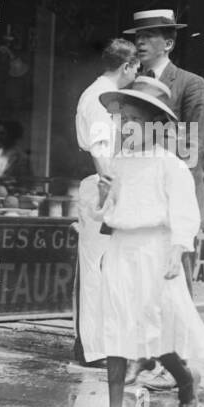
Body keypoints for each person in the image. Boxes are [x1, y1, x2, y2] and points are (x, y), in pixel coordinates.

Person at [82, 76, 204, 407]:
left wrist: (176, 253)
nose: (126, 128)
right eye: (123, 121)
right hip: (122, 248)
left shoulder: (169, 165)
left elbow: (186, 214)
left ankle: (185, 381)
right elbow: (103, 215)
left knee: (156, 330)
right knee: (117, 327)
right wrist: (104, 196)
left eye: (135, 121)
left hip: (155, 251)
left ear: (155, 126)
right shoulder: (119, 164)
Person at [126, 8, 204, 391]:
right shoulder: (131, 84)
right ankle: (148, 357)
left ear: (170, 41)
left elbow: (199, 148)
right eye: (138, 36)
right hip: (140, 201)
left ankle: (176, 362)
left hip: (176, 196)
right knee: (143, 281)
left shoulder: (190, 84)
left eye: (151, 35)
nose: (141, 42)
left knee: (175, 278)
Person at [71, 39, 140, 367]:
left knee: (105, 268)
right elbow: (100, 152)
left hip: (105, 185)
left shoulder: (101, 94)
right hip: (100, 188)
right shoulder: (99, 98)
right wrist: (111, 193)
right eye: (135, 67)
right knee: (97, 270)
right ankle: (93, 349)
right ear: (125, 66)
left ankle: (99, 344)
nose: (136, 73)